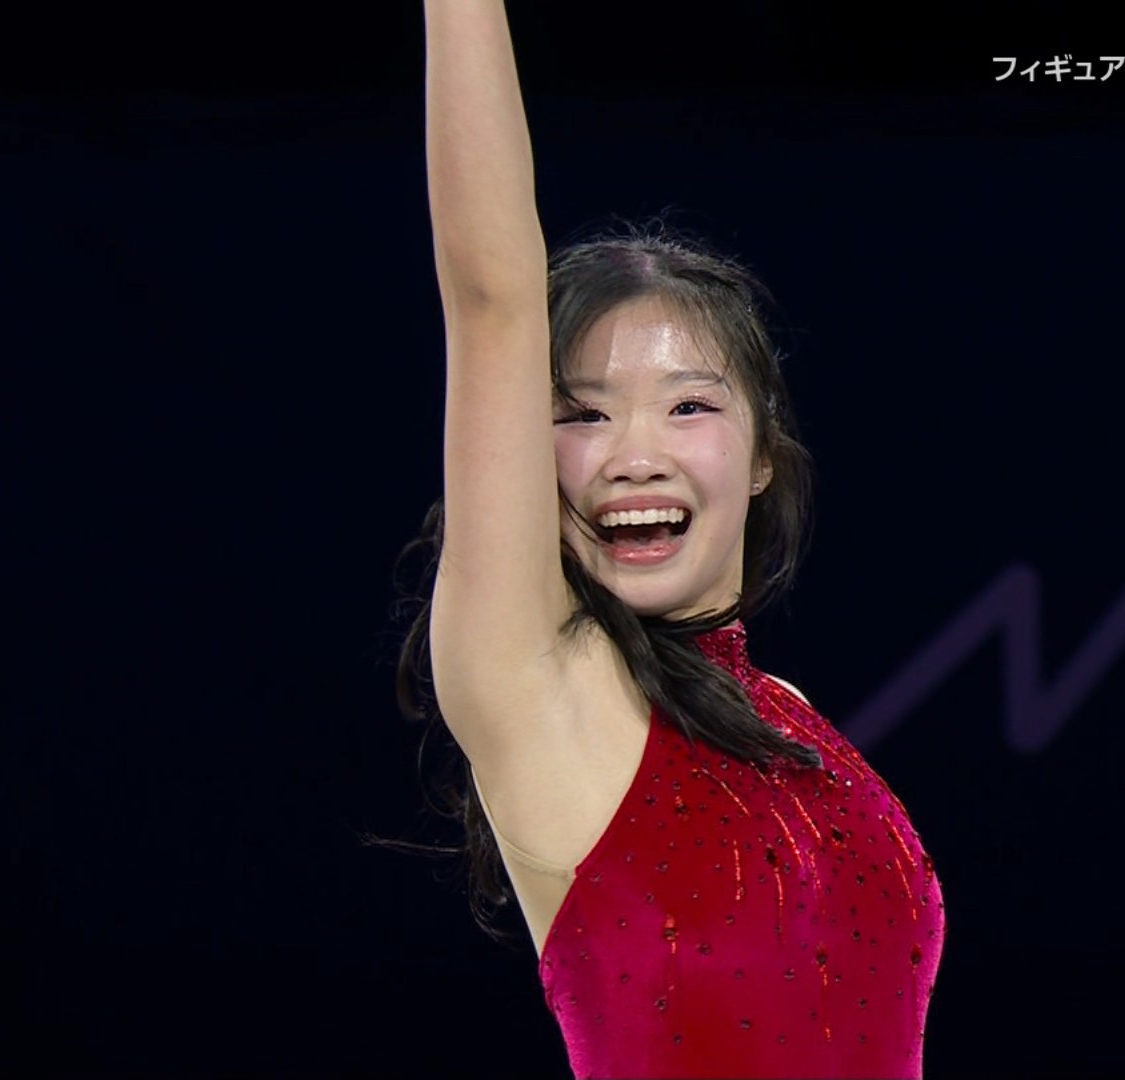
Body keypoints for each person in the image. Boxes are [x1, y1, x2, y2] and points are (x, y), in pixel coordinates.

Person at [392, 3, 945, 1076]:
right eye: (581, 414)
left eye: (688, 406)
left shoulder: (788, 717)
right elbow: (492, 300)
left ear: (763, 454)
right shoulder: (539, 687)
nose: (633, 456)